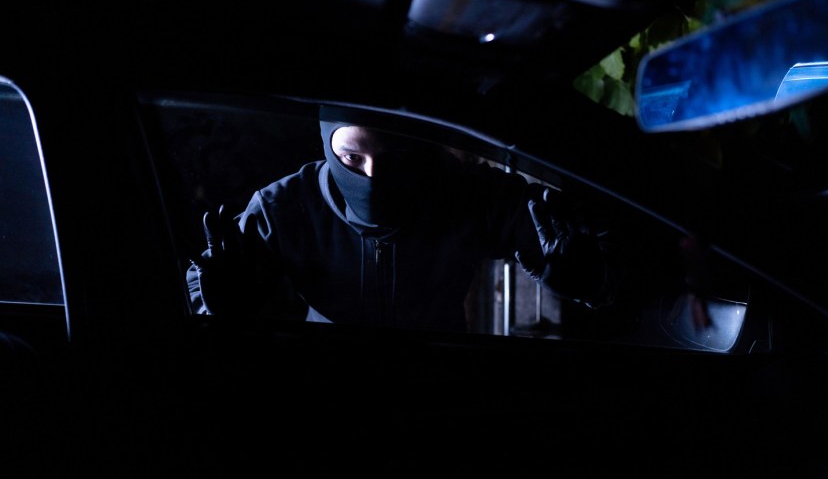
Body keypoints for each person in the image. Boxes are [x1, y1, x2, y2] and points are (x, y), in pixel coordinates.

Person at [187, 107, 621, 332]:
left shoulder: (465, 192)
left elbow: (559, 230)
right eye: (352, 158)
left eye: (392, 157)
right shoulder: (283, 207)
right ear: (327, 146)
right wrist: (217, 306)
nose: (372, 177)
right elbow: (199, 288)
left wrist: (590, 278)